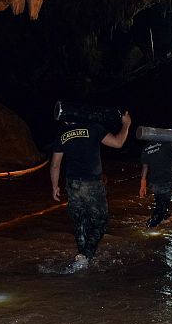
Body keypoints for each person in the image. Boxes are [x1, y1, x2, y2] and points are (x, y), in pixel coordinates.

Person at [50, 110, 132, 271]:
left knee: (81, 221)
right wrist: (126, 125)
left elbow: (55, 164)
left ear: (66, 121)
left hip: (73, 184)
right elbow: (118, 142)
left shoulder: (62, 133)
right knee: (100, 223)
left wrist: (54, 186)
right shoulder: (94, 128)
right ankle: (86, 256)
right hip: (93, 184)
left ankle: (81, 256)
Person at [139, 133, 172, 227]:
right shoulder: (166, 144)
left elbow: (145, 167)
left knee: (160, 204)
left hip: (153, 184)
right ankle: (150, 226)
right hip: (166, 181)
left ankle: (165, 219)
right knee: (161, 208)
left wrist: (142, 185)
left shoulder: (146, 148)